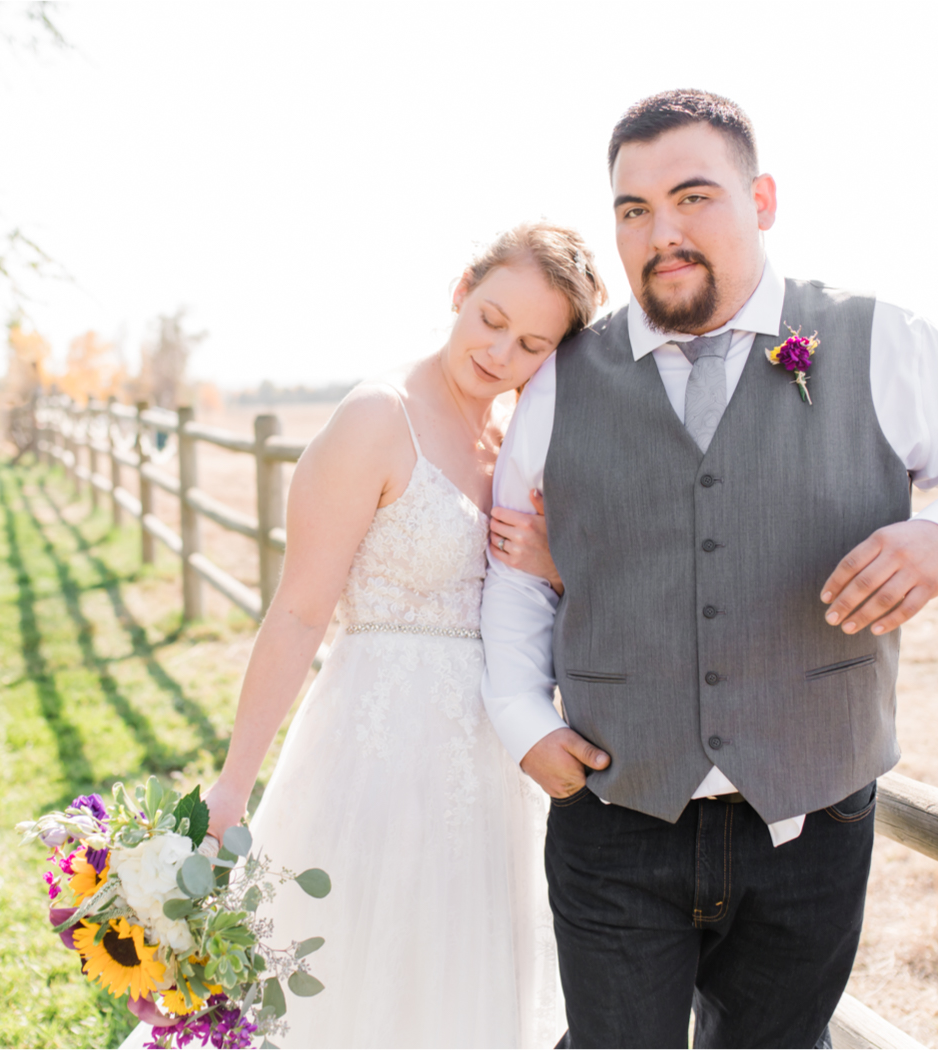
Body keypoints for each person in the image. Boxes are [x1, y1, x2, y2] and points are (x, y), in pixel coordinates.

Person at [481, 90, 938, 1049]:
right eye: (633, 210)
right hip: (616, 812)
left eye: (693, 197)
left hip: (814, 820)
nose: (661, 232)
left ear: (764, 200)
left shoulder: (878, 340)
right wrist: (523, 721)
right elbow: (516, 569)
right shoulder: (560, 378)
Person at [121, 222, 607, 1050]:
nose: (499, 353)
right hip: (371, 754)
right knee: (340, 970)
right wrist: (234, 785)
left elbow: (541, 606)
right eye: (491, 319)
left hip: (485, 769)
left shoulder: (514, 445)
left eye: (530, 344)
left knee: (455, 979)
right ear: (460, 290)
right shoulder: (378, 417)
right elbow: (300, 612)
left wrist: (557, 564)